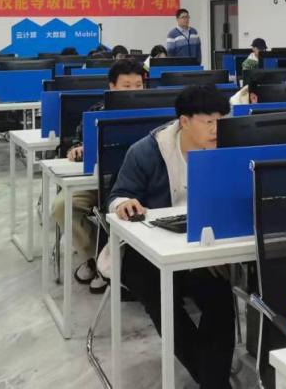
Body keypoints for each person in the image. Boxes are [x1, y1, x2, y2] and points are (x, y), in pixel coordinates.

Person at [109, 85, 235, 388]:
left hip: (201, 248)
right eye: (208, 122)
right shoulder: (147, 151)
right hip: (147, 253)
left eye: (221, 121)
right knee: (161, 299)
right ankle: (214, 381)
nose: (216, 129)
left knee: (220, 298)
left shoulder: (229, 148)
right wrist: (123, 204)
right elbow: (117, 196)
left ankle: (212, 381)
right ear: (184, 121)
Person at [54, 58, 145, 292]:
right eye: (126, 86)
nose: (134, 91)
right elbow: (76, 142)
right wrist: (77, 149)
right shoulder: (97, 112)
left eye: (138, 85)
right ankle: (95, 258)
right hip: (99, 182)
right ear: (112, 87)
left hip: (140, 184)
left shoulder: (155, 111)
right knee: (62, 206)